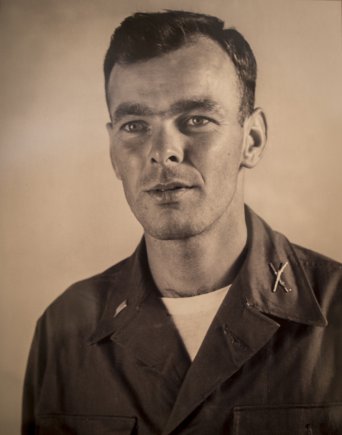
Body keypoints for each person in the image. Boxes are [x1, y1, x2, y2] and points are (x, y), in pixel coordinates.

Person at [22, 10, 342, 435]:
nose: (163, 152)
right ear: (114, 151)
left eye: (196, 120)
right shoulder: (63, 329)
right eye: (135, 125)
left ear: (252, 140)